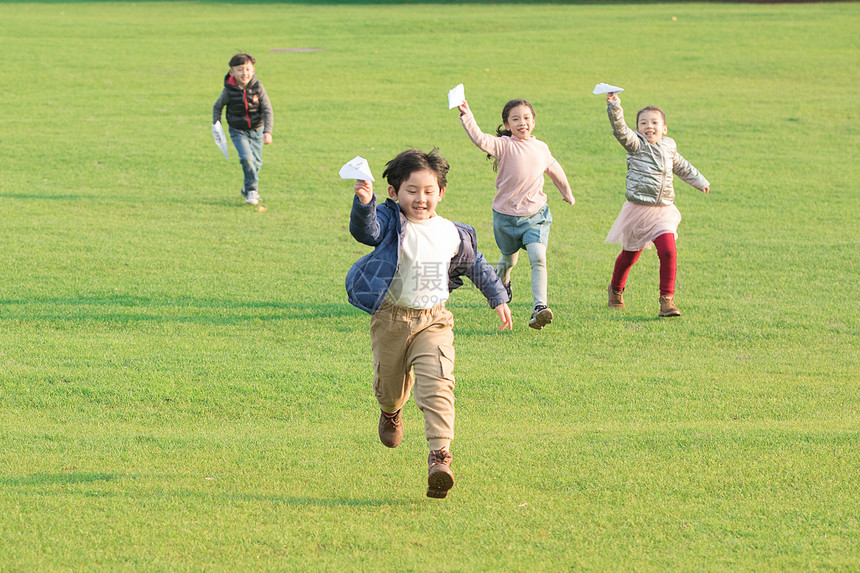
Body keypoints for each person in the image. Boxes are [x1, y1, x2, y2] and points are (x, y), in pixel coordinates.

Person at [346, 149, 512, 499]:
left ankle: (440, 457)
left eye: (428, 190)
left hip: (434, 320)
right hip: (391, 319)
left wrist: (497, 297)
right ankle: (391, 411)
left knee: (438, 383)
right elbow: (368, 231)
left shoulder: (453, 232)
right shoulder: (391, 223)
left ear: (441, 192)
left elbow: (476, 265)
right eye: (411, 190)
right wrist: (364, 202)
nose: (420, 198)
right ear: (394, 193)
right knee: (389, 386)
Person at [456, 98, 575, 330]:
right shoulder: (504, 145)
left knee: (538, 258)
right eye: (516, 119)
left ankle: (540, 307)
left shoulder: (541, 147)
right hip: (505, 217)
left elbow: (554, 169)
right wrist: (466, 114)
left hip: (535, 216)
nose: (523, 123)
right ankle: (503, 283)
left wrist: (567, 193)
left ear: (534, 121)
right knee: (509, 259)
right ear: (507, 125)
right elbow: (480, 139)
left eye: (527, 118)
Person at [604, 91, 710, 317]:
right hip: (637, 210)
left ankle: (667, 301)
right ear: (638, 128)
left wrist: (700, 181)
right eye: (643, 123)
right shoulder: (635, 144)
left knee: (669, 251)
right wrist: (614, 106)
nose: (649, 127)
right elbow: (620, 130)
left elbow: (682, 166)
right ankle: (616, 289)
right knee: (630, 256)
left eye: (654, 122)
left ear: (664, 128)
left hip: (664, 211)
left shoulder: (669, 147)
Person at [212, 53, 273, 206]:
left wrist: (268, 131)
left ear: (253, 71)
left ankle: (246, 187)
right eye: (240, 70)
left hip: (257, 130)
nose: (244, 73)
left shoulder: (258, 87)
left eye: (247, 69)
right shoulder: (229, 91)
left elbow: (267, 109)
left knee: (257, 163)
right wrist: (216, 125)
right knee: (247, 158)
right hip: (237, 131)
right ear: (231, 72)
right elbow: (217, 106)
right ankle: (252, 190)